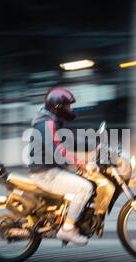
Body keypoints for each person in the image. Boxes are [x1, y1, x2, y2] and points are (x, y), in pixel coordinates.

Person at [28, 87, 94, 245]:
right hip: (46, 174)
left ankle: (71, 219)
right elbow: (59, 153)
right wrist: (84, 164)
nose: (70, 109)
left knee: (85, 180)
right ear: (58, 106)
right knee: (85, 188)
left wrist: (95, 145)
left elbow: (68, 142)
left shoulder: (50, 120)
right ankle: (68, 229)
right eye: (68, 106)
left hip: (50, 170)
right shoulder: (46, 124)